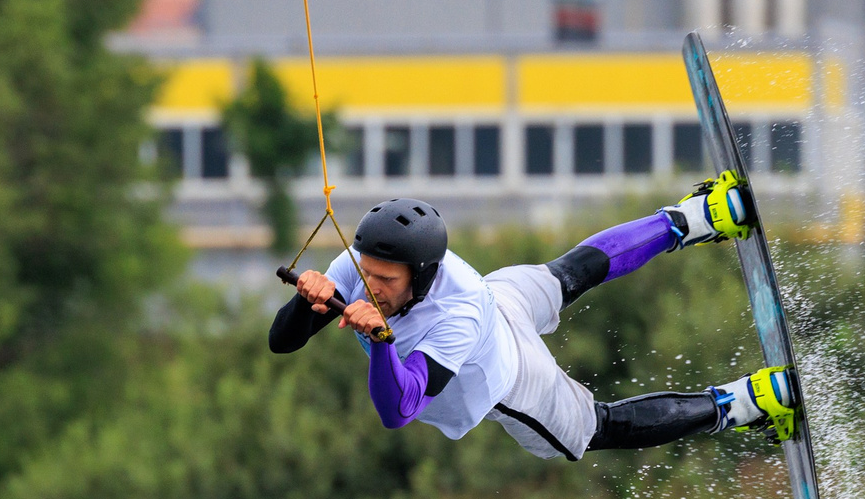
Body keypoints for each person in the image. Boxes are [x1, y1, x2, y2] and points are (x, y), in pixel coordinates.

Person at [267, 175, 797, 461]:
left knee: (597, 428)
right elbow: (282, 342)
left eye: (387, 282)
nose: (372, 288)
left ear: (423, 276)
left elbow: (398, 410)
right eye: (367, 275)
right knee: (571, 271)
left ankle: (749, 402)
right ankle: (702, 216)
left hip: (512, 377)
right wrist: (307, 298)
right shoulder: (363, 264)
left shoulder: (455, 315)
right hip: (503, 298)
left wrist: (383, 342)